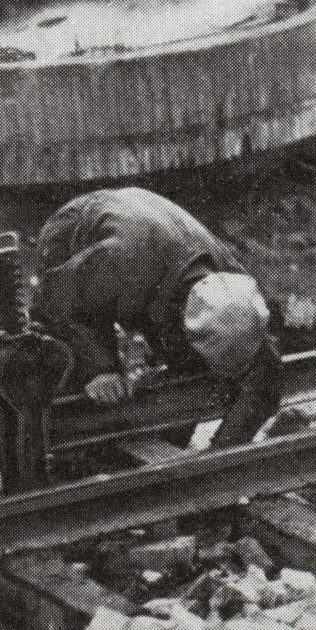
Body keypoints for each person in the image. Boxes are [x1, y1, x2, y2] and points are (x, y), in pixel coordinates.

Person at [33, 187, 278, 447]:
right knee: (81, 367)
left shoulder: (234, 284)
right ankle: (83, 448)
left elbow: (267, 374)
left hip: (152, 239)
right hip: (76, 230)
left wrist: (221, 453)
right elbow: (55, 302)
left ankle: (171, 439)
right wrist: (99, 368)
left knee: (189, 362)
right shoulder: (119, 264)